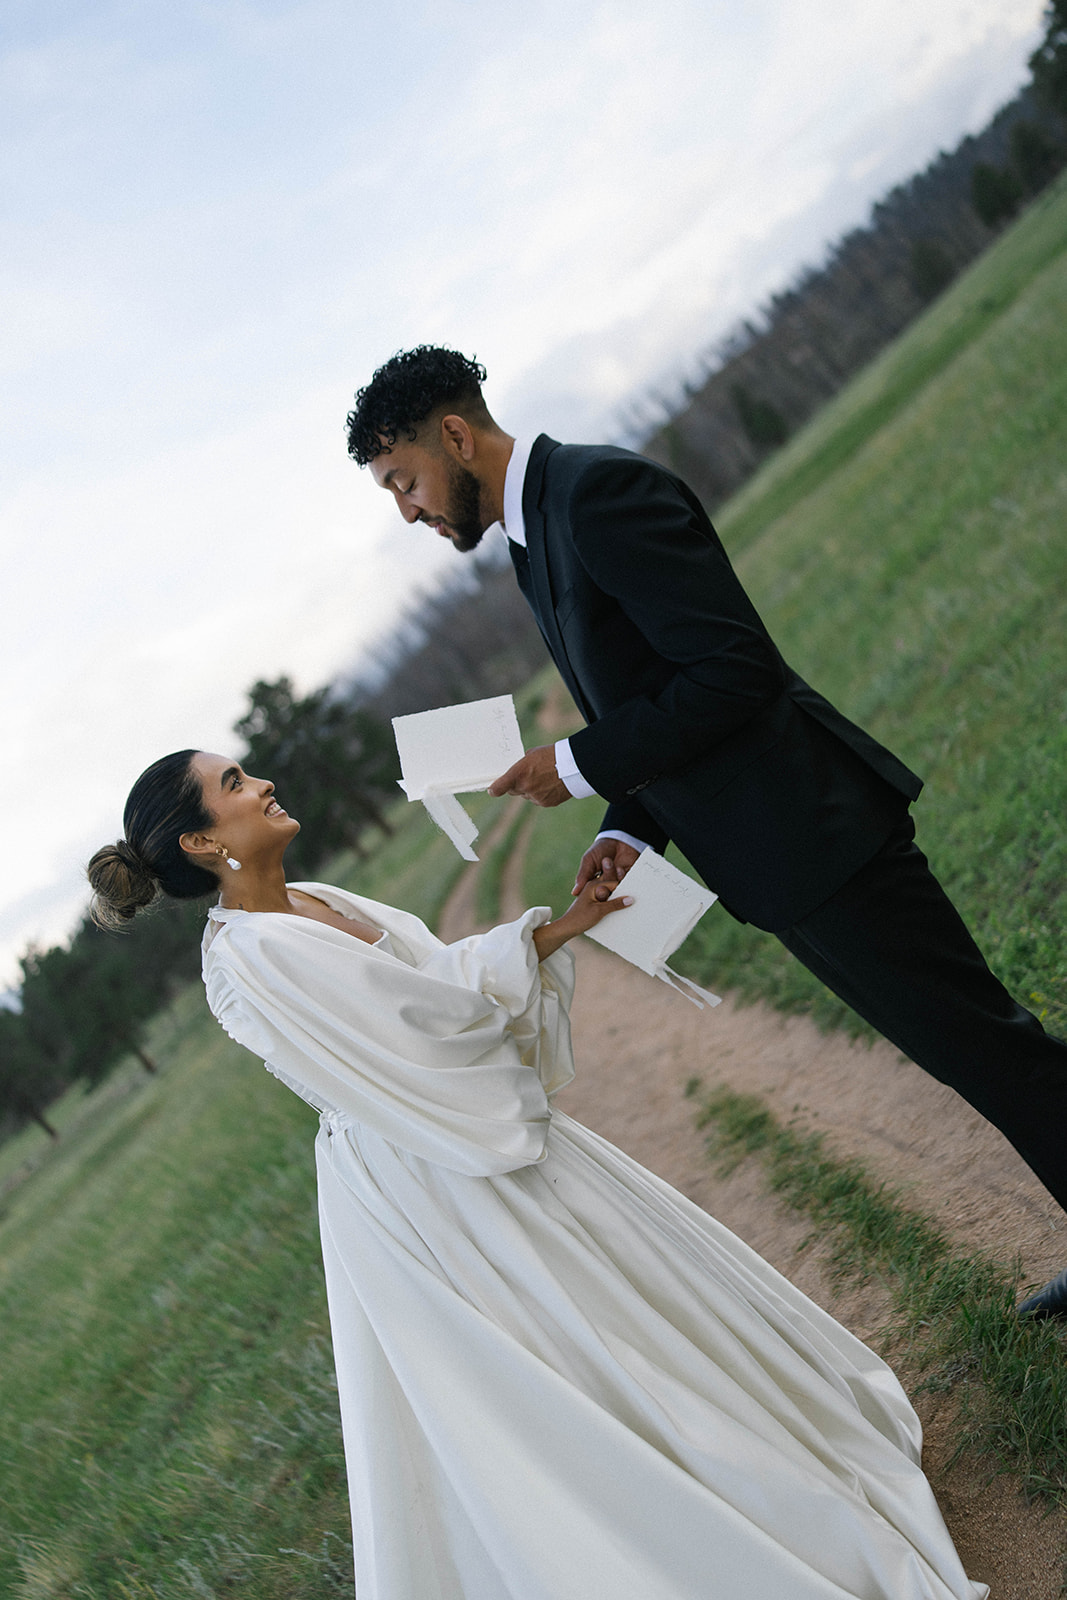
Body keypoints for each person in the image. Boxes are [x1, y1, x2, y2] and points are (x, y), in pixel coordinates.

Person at [87, 749, 986, 1600]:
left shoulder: (309, 900)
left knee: (631, 1312)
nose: (265, 783)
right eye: (237, 782)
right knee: (579, 1353)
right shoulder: (250, 957)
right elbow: (425, 1030)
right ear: (203, 841)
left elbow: (433, 981)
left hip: (448, 1134)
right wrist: (540, 939)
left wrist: (563, 929)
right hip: (428, 1177)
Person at [346, 344, 1067, 1319]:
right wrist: (629, 827)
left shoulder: (597, 493)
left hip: (817, 827)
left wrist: (572, 763)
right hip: (778, 858)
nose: (408, 510)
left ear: (455, 436)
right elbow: (652, 698)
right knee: (971, 1050)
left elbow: (731, 672)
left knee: (988, 1045)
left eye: (404, 481)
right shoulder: (534, 536)